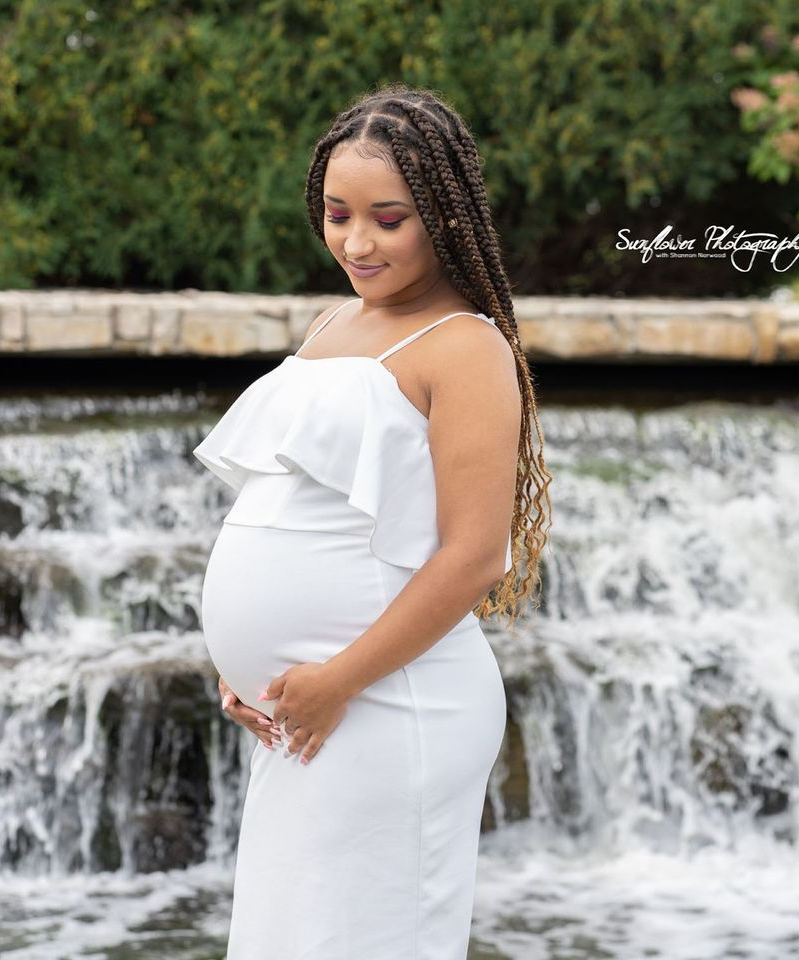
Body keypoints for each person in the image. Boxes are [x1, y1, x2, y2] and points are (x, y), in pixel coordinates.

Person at [193, 82, 553, 959]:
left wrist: (340, 678)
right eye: (338, 213)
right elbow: (292, 505)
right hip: (311, 714)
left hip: (393, 706)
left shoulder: (465, 346)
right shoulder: (333, 323)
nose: (357, 241)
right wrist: (250, 670)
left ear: (443, 214)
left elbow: (473, 557)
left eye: (389, 219)